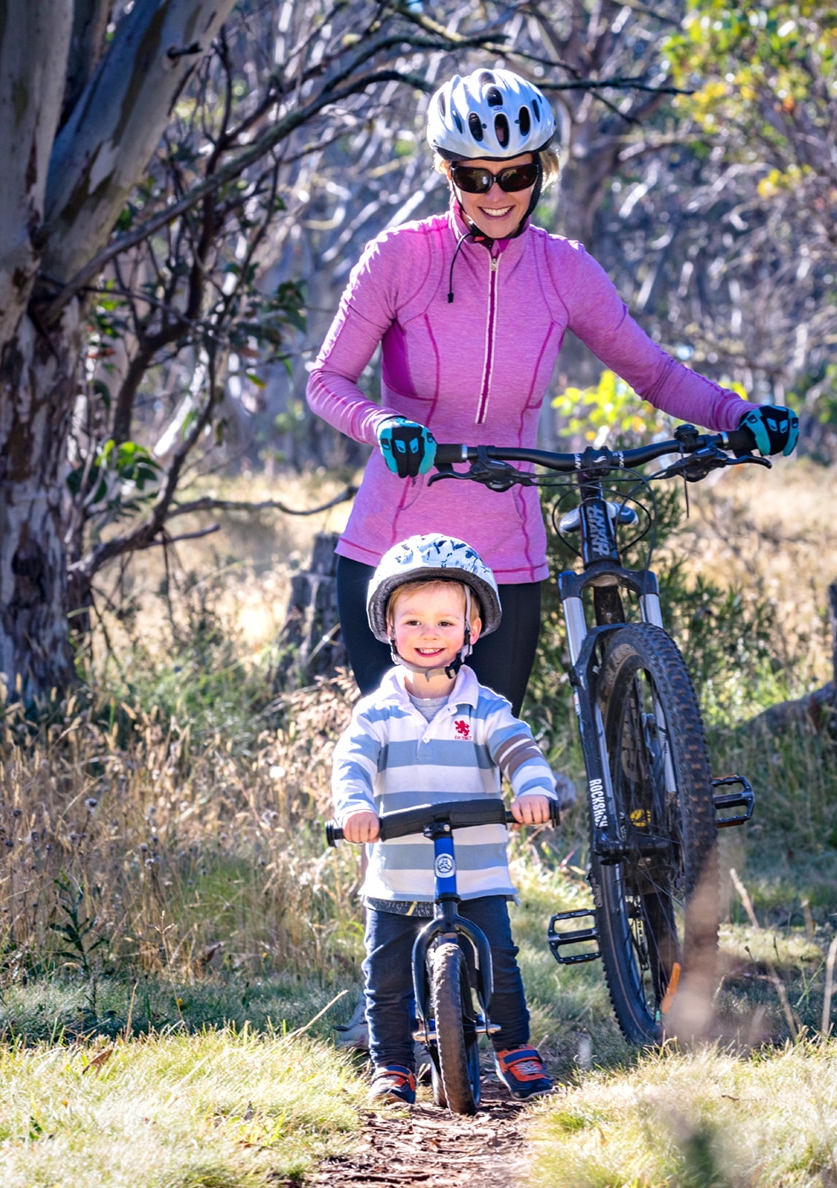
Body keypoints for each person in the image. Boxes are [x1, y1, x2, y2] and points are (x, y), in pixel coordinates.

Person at [307, 66, 801, 715]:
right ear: (446, 171)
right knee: (403, 762)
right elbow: (326, 382)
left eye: (513, 175)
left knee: (486, 755)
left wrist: (738, 414)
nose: (494, 193)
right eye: (472, 176)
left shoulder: (563, 269)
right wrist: (384, 427)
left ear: (540, 171)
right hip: (393, 549)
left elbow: (652, 373)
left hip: (505, 561)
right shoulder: (400, 258)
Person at [330, 534, 560, 1104]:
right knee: (385, 974)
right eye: (412, 622)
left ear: (471, 630)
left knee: (498, 963)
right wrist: (355, 807)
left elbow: (520, 751)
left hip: (477, 870)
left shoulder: (486, 708)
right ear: (387, 627)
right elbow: (352, 764)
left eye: (443, 622)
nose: (428, 635)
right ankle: (392, 1064)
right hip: (398, 873)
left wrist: (533, 791)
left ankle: (513, 1047)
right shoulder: (377, 713)